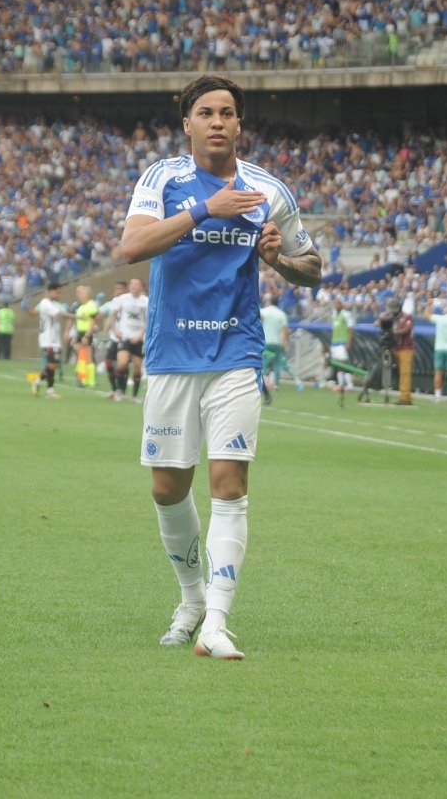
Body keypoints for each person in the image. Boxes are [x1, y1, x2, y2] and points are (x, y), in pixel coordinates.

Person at [118, 74, 320, 661]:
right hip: (172, 354)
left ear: (239, 124)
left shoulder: (268, 189)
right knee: (166, 488)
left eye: (227, 112)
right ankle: (191, 598)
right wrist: (207, 210)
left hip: (236, 351)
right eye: (205, 112)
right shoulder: (163, 179)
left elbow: (313, 266)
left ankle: (217, 622)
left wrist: (280, 258)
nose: (217, 121)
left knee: (229, 487)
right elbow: (133, 247)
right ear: (188, 124)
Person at [109, 278, 149, 402]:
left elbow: (148, 321)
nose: (134, 286)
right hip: (125, 337)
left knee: (137, 368)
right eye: (132, 284)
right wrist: (115, 330)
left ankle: (135, 396)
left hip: (138, 338)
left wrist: (140, 334)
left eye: (137, 284)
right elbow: (112, 315)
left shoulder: (146, 301)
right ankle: (119, 390)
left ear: (141, 287)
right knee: (122, 364)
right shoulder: (123, 299)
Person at [32, 282, 71, 398]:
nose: (59, 295)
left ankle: (46, 387)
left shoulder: (54, 304)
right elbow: (61, 314)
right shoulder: (45, 304)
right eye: (57, 292)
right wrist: (77, 316)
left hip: (55, 340)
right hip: (47, 339)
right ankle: (43, 384)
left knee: (53, 365)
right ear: (51, 291)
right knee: (52, 364)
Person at [258, 293, 298, 397]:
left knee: (263, 360)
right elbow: (285, 330)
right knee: (277, 364)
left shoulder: (264, 311)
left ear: (269, 301)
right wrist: (286, 342)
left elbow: (257, 320)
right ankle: (276, 385)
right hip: (277, 342)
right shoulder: (281, 314)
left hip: (265, 341)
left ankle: (263, 378)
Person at [327, 297, 357, 404]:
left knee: (344, 363)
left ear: (341, 304)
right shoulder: (334, 314)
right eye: (334, 304)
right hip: (335, 342)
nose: (336, 305)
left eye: (337, 304)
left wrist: (349, 342)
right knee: (338, 365)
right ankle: (341, 384)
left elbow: (351, 328)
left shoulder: (346, 314)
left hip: (342, 342)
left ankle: (349, 384)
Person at [392, 298, 416, 405]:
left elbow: (407, 329)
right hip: (397, 348)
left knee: (405, 373)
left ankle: (405, 398)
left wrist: (395, 332)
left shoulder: (407, 316)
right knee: (400, 373)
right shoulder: (393, 318)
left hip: (406, 348)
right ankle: (403, 395)